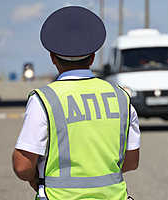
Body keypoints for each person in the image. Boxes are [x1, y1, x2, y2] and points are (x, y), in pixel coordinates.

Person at [12, 6, 140, 200]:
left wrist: (36, 179)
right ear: (93, 57)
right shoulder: (121, 97)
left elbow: (22, 166)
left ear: (53, 58)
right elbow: (131, 161)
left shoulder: (44, 99)